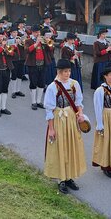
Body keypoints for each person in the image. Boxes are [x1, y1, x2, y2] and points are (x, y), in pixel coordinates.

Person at [43, 59, 86, 194]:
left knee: (71, 146)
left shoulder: (74, 84)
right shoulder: (52, 87)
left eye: (68, 71)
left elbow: (78, 102)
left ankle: (69, 177)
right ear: (59, 72)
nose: (67, 74)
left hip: (71, 118)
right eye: (65, 72)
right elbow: (49, 110)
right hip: (59, 119)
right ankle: (61, 179)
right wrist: (51, 128)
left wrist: (81, 115)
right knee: (60, 148)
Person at [25, 25, 46, 110]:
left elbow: (50, 49)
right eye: (36, 32)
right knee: (33, 83)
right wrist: (36, 43)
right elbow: (27, 50)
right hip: (33, 64)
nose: (38, 34)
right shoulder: (28, 41)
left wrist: (47, 42)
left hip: (42, 64)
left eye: (39, 32)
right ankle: (33, 102)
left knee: (41, 83)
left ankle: (38, 101)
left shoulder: (43, 40)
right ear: (33, 33)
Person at [8, 26, 26, 99]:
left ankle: (18, 90)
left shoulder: (19, 39)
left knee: (20, 75)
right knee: (14, 75)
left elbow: (25, 47)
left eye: (16, 32)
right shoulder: (9, 40)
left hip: (21, 59)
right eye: (14, 32)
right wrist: (15, 45)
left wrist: (22, 42)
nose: (15, 34)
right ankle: (13, 91)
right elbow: (9, 50)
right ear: (11, 33)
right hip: (13, 60)